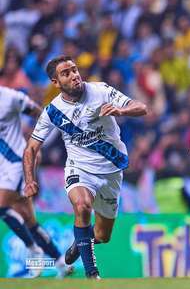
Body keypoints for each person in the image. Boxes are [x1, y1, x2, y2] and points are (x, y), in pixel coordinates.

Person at [23, 56, 147, 279]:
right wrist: (30, 179)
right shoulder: (53, 111)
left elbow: (141, 107)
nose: (74, 75)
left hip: (111, 170)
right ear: (55, 82)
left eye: (74, 70)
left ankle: (78, 243)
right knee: (82, 207)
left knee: (102, 235)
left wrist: (122, 111)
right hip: (79, 169)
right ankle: (92, 275)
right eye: (66, 73)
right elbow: (31, 148)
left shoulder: (100, 90)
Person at [0, 85, 72, 278]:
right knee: (29, 220)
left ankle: (33, 248)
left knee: (1, 206)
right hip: (2, 169)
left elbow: (41, 115)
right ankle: (60, 262)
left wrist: (35, 146)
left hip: (17, 161)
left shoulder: (10, 98)